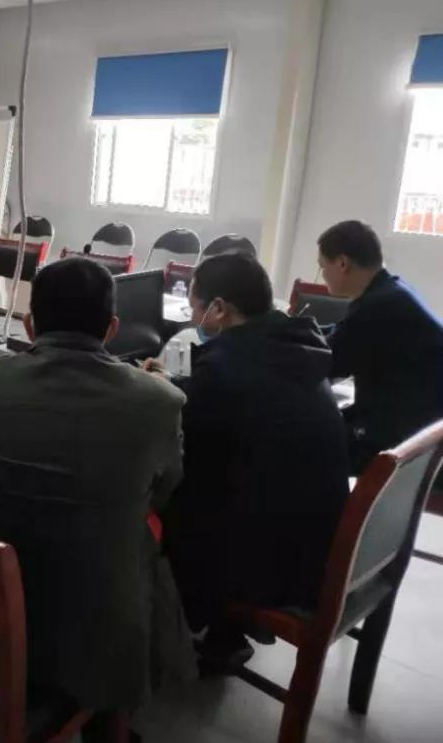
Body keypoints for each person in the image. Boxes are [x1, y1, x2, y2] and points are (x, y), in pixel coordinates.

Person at [0, 257, 193, 715]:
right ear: (112, 329)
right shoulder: (161, 401)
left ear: (29, 324)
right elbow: (163, 492)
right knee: (146, 549)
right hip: (100, 611)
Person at [152, 254, 349, 670]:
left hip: (271, 563)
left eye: (195, 305)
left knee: (148, 495)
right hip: (315, 543)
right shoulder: (294, 346)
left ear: (219, 308)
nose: (193, 316)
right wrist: (180, 385)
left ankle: (166, 632)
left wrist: (158, 396)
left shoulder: (226, 367)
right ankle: (224, 632)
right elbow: (247, 401)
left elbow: (185, 450)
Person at [317, 220, 443, 472]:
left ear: (342, 264)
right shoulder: (392, 290)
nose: (322, 274)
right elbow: (343, 333)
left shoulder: (378, 307)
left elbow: (324, 363)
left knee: (301, 441)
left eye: (322, 266)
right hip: (421, 428)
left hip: (402, 437)